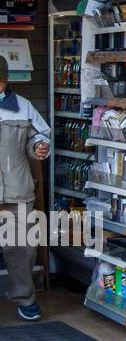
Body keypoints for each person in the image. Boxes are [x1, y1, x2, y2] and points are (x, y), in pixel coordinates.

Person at [0, 55, 52, 321]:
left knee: (22, 248)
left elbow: (40, 135)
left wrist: (39, 147)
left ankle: (25, 298)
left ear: (5, 81)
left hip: (16, 190)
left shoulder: (22, 107)